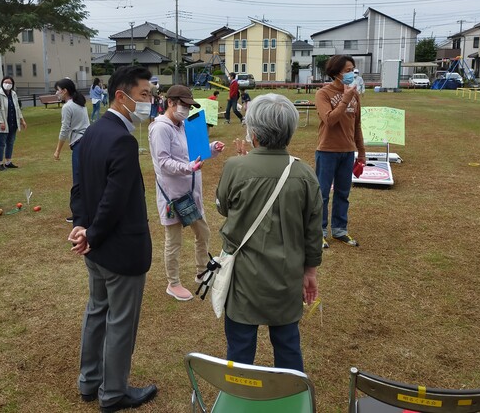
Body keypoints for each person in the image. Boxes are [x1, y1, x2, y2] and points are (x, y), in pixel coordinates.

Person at [69, 65, 158, 412]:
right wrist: (90, 231)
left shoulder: (92, 132)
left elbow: (79, 188)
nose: (150, 102)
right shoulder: (120, 138)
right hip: (118, 248)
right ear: (121, 97)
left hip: (96, 247)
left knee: (97, 312)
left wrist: (83, 226)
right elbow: (115, 199)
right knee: (119, 321)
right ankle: (113, 392)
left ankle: (89, 381)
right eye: (145, 96)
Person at [216, 93, 323, 371]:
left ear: (253, 131)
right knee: (288, 345)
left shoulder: (234, 167)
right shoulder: (305, 174)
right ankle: (291, 396)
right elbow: (313, 231)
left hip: (244, 278)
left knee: (240, 349)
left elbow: (224, 208)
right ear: (290, 131)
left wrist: (242, 165)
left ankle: (239, 397)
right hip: (286, 276)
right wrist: (310, 272)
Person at [148, 85, 224, 301]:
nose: (187, 110)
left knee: (204, 233)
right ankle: (173, 283)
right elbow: (162, 163)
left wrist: (212, 148)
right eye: (184, 105)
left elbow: (194, 151)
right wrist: (187, 167)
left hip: (192, 193)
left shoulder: (183, 125)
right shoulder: (160, 128)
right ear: (171, 103)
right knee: (173, 242)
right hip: (172, 196)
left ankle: (202, 271)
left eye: (189, 106)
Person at [315, 55, 365, 248]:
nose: (351, 73)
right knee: (322, 194)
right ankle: (318, 231)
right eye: (347, 70)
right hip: (327, 150)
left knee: (343, 193)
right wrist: (345, 99)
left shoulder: (356, 95)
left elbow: (357, 125)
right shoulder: (323, 94)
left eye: (352, 69)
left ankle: (339, 230)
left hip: (348, 151)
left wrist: (361, 152)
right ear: (336, 73)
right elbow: (329, 120)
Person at [53, 78, 90, 223]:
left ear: (65, 91)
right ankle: (87, 210)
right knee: (86, 178)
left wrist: (57, 150)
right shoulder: (80, 103)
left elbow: (64, 129)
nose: (57, 93)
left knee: (78, 181)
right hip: (87, 141)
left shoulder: (68, 106)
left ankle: (79, 214)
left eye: (58, 90)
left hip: (79, 144)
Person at [0, 76, 27, 170]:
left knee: (10, 142)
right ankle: (0, 163)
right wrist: (1, 122)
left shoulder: (13, 94)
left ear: (12, 84)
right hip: (3, 123)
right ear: (2, 83)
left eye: (9, 83)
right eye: (5, 82)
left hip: (12, 123)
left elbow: (17, 108)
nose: (7, 84)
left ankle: (8, 161)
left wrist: (22, 120)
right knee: (1, 143)